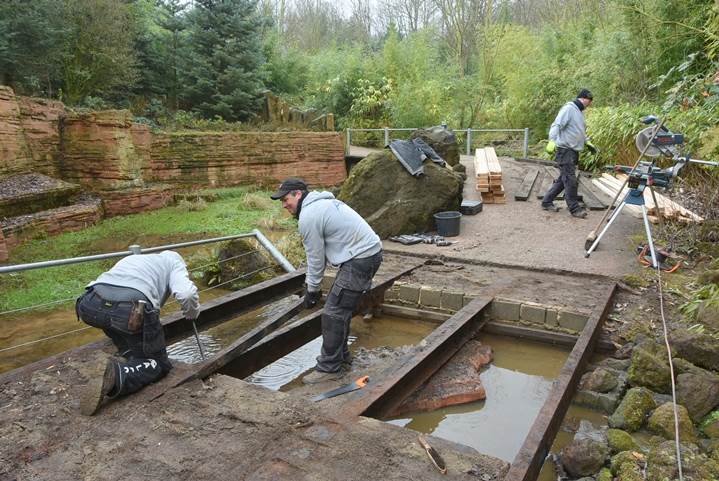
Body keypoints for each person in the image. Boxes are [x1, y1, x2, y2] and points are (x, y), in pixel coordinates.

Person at [271, 178, 383, 384]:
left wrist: (312, 290)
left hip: (360, 258)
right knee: (342, 307)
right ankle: (342, 357)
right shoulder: (322, 204)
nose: (284, 205)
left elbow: (316, 258)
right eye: (281, 201)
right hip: (367, 254)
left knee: (333, 313)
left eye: (286, 199)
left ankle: (329, 369)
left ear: (298, 194)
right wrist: (312, 287)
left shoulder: (309, 216)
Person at [76, 250, 200, 415]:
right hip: (129, 309)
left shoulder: (136, 258)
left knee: (111, 316)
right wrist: (192, 314)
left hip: (90, 304)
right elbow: (187, 294)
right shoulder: (175, 263)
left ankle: (128, 352)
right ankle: (116, 376)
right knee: (160, 364)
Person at [541, 88, 596, 218]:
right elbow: (557, 125)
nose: (590, 104)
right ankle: (574, 209)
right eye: (589, 101)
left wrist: (587, 142)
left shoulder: (579, 113)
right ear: (583, 99)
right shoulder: (569, 109)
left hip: (573, 151)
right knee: (570, 179)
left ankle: (547, 201)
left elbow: (579, 131)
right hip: (565, 150)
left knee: (563, 179)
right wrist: (552, 140)